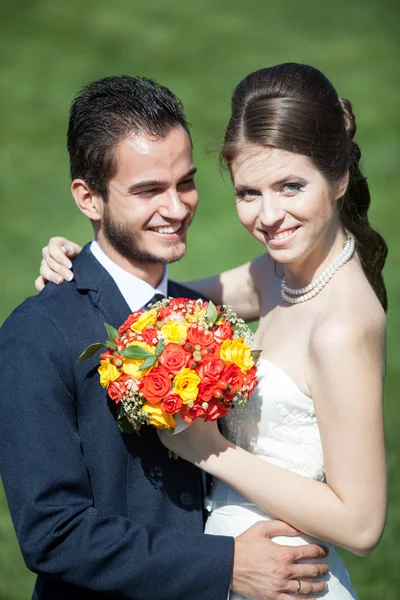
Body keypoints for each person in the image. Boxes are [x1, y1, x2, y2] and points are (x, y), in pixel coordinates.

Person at [39, 63, 388, 600]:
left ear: (338, 178)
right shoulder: (277, 275)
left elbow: (362, 525)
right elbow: (157, 303)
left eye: (291, 186)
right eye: (249, 192)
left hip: (284, 580)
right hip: (221, 565)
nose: (270, 217)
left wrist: (205, 449)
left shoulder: (342, 326)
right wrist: (80, 266)